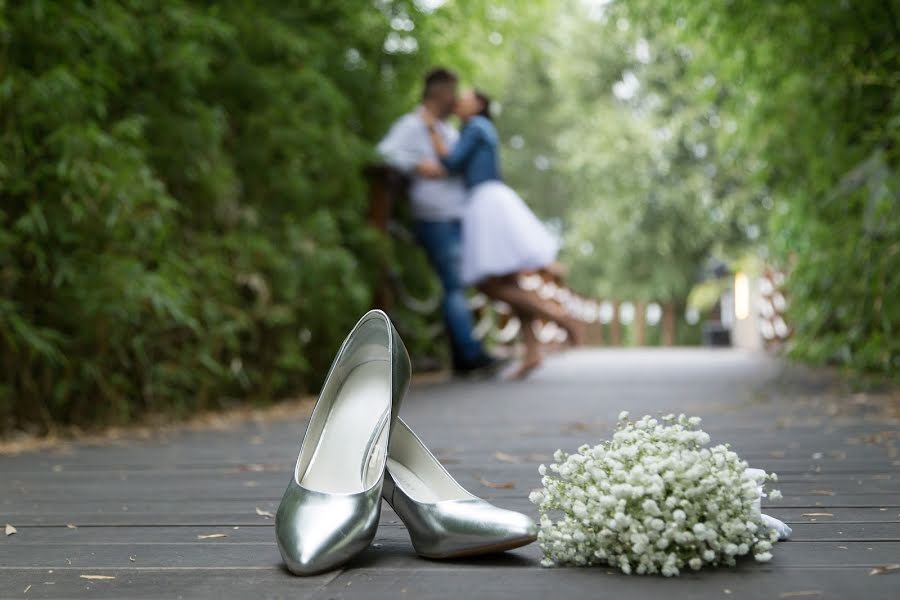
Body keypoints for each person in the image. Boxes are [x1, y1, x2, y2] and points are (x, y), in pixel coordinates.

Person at [424, 89, 584, 379]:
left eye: (465, 97)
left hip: (487, 204)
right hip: (489, 202)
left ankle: (560, 318)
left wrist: (430, 128)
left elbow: (451, 163)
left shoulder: (475, 127)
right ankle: (533, 352)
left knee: (488, 285)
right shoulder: (477, 128)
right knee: (511, 282)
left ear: (480, 104)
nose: (458, 100)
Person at [377, 69, 502, 376]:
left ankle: (463, 357)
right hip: (436, 218)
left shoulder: (448, 130)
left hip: (457, 215)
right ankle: (472, 356)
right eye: (454, 92)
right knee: (454, 284)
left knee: (459, 285)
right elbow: (384, 153)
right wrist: (418, 165)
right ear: (439, 93)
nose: (458, 99)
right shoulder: (411, 126)